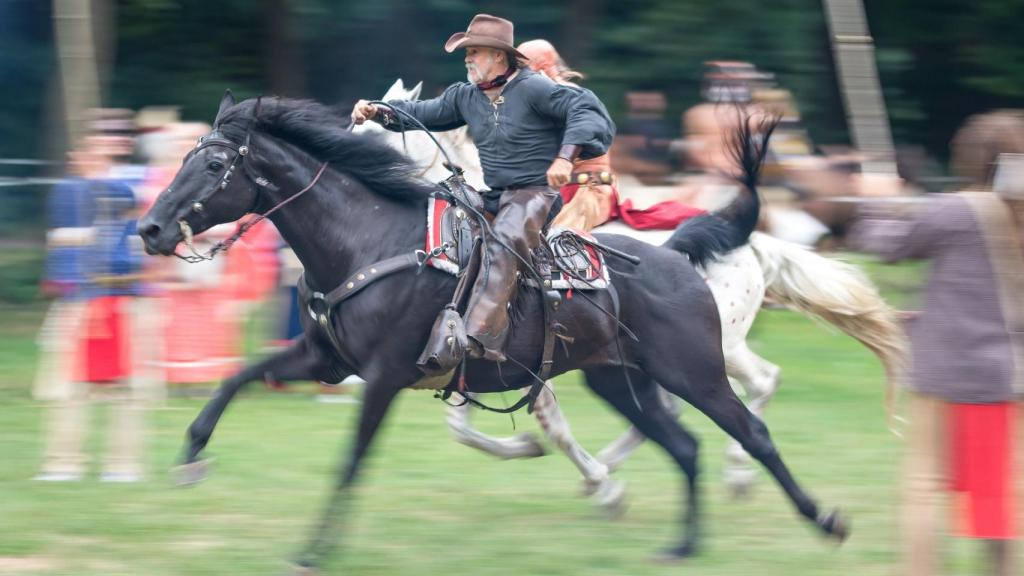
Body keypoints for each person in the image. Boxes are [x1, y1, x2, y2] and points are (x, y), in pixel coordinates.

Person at [350, 13, 614, 362]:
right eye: (466, 52)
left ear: (499, 56)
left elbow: (585, 109)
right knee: (446, 228)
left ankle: (477, 337)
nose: (467, 58)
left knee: (503, 240)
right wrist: (377, 111)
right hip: (496, 195)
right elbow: (421, 112)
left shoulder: (533, 87)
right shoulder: (465, 97)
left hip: (535, 194)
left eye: (474, 51)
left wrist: (566, 157)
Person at [849, 110, 1024, 575]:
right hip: (1009, 379)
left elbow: (888, 244)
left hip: (949, 373)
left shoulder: (959, 209)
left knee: (925, 485)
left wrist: (874, 201)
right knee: (997, 499)